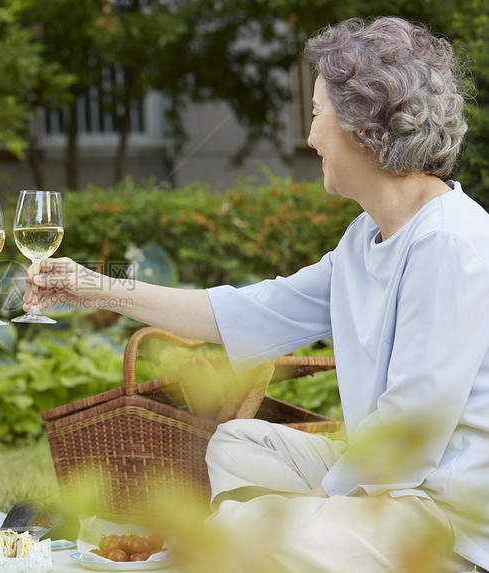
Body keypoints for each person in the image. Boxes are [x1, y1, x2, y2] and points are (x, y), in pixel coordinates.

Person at [27, 17, 489, 572]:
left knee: (241, 532)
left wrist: (316, 507)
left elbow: (408, 431)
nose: (311, 136)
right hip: (387, 491)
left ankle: (286, 546)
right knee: (240, 444)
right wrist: (97, 288)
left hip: (444, 517)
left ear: (363, 125)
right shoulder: (366, 237)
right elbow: (249, 313)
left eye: (317, 114)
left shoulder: (449, 242)